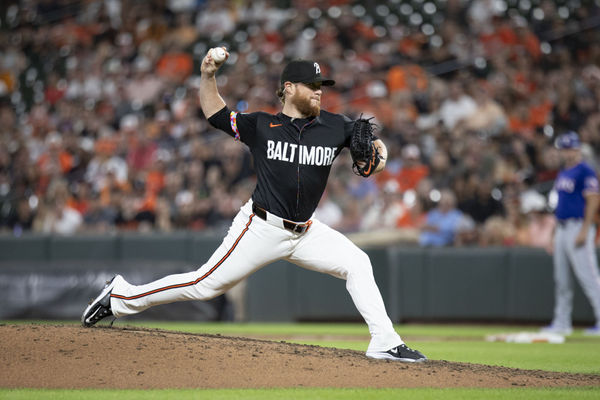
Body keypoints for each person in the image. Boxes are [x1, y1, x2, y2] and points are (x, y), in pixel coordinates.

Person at [81, 49, 427, 362]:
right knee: (205, 285)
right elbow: (216, 114)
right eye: (312, 85)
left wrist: (380, 157)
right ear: (289, 88)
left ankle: (384, 341)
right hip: (261, 226)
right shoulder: (262, 124)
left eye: (322, 85)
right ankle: (121, 296)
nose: (319, 90)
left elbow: (372, 146)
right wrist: (208, 76)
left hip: (306, 231)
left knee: (357, 262)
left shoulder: (335, 126)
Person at [541, 131, 600, 336]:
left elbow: (593, 200)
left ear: (578, 149)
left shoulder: (585, 170)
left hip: (578, 226)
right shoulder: (564, 172)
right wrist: (552, 236)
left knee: (590, 277)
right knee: (562, 280)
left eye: (571, 148)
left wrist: (585, 229)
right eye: (565, 149)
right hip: (563, 228)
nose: (568, 153)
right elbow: (561, 207)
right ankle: (562, 322)